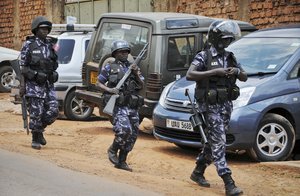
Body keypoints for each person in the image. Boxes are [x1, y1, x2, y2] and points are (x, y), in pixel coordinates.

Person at [186, 20, 247, 196]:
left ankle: (198, 172)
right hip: (209, 106)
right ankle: (229, 182)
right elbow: (190, 74)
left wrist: (235, 72)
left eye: (229, 40)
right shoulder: (204, 56)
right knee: (219, 141)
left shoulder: (230, 57)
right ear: (216, 38)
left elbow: (244, 77)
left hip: (226, 105)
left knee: (213, 142)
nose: (227, 43)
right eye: (224, 39)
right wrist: (214, 72)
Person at [97, 40, 144, 172]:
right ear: (115, 54)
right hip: (119, 105)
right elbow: (98, 83)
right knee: (124, 130)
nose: (124, 54)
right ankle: (113, 149)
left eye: (126, 51)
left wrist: (135, 73)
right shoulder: (109, 67)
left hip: (132, 105)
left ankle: (122, 161)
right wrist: (110, 90)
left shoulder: (133, 67)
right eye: (121, 52)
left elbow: (141, 85)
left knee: (133, 134)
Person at [20, 16, 59, 150]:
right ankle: (35, 138)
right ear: (36, 30)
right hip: (34, 85)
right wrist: (35, 75)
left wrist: (54, 72)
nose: (45, 31)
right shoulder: (29, 45)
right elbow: (23, 67)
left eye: (47, 29)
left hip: (48, 84)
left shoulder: (51, 45)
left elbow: (55, 62)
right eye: (42, 29)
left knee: (53, 110)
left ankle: (39, 129)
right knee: (36, 113)